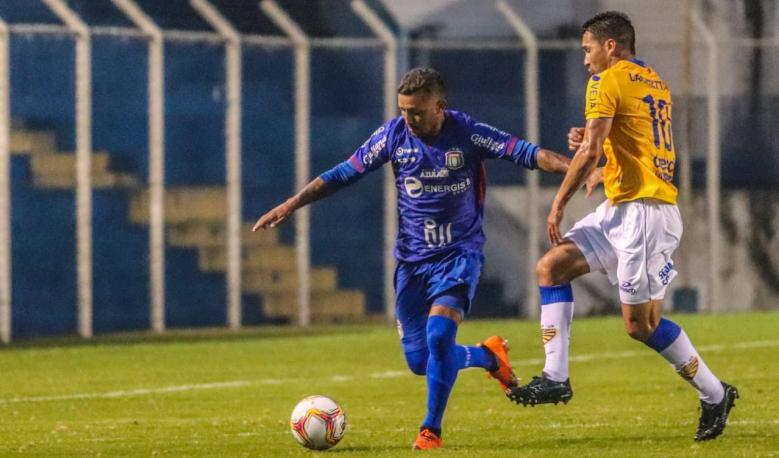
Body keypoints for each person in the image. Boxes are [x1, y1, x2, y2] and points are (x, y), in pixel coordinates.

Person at [253, 67, 574, 450]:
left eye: (417, 111)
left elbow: (527, 153)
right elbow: (344, 172)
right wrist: (292, 203)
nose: (410, 119)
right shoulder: (393, 136)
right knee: (421, 362)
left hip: (458, 255)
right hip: (411, 262)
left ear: (440, 106)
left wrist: (578, 169)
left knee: (440, 336)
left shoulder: (468, 133)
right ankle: (488, 357)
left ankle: (430, 430)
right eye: (404, 110)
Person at [506, 12, 739, 441]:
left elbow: (593, 148)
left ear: (610, 46)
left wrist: (558, 204)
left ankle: (714, 392)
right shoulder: (651, 79)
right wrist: (600, 147)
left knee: (640, 325)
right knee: (552, 267)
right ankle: (555, 376)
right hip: (624, 209)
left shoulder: (606, 81)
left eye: (588, 49)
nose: (585, 61)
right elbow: (629, 145)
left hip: (645, 215)